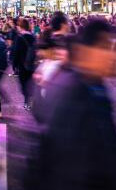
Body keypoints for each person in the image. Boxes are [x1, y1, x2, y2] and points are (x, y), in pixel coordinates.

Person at [25, 19, 116, 190]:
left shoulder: (93, 85)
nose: (112, 56)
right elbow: (69, 161)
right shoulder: (74, 91)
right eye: (105, 47)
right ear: (86, 50)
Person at [13, 18, 37, 110]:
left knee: (23, 84)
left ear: (21, 26)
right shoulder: (33, 36)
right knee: (31, 82)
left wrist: (14, 64)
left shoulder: (19, 37)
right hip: (32, 63)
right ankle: (31, 99)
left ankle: (27, 101)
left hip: (22, 64)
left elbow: (16, 52)